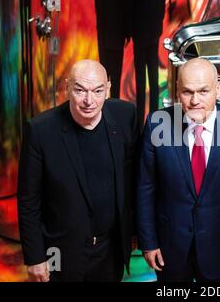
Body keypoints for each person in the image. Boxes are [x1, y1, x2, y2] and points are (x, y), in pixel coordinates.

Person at [137, 58, 220, 282]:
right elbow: (145, 188)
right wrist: (148, 242)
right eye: (187, 92)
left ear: (217, 89)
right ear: (177, 91)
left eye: (203, 91)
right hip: (170, 246)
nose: (195, 100)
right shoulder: (157, 124)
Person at [17, 60, 139, 282]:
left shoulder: (125, 115)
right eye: (80, 90)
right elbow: (28, 200)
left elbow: (134, 180)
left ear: (108, 88)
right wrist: (35, 257)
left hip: (110, 249)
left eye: (98, 91)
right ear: (67, 87)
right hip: (60, 250)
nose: (89, 101)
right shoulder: (40, 131)